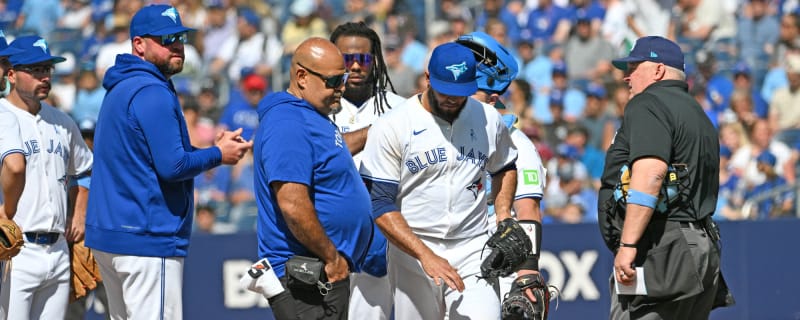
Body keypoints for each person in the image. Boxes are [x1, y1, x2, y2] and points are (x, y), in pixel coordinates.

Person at [84, 5, 252, 320]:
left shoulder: (122, 86)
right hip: (147, 237)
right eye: (166, 38)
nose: (177, 44)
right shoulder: (152, 90)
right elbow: (172, 166)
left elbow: (148, 156)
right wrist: (219, 155)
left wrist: (210, 148)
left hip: (114, 236)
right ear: (139, 45)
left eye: (180, 37)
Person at [359, 42, 519, 319]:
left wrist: (503, 214)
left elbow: (505, 166)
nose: (452, 99)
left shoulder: (488, 119)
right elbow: (380, 202)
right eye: (446, 90)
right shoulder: (394, 125)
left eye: (461, 92)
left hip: (473, 246)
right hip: (412, 247)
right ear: (428, 78)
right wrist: (425, 255)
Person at [598, 36, 734, 319]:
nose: (626, 76)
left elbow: (651, 173)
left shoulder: (649, 102)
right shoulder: (698, 113)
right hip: (699, 244)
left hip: (663, 246)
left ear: (658, 70)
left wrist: (628, 245)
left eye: (634, 67)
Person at [253, 37, 373, 320]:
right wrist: (332, 258)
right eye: (333, 81)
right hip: (308, 277)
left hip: (323, 272)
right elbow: (292, 204)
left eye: (342, 79)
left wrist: (376, 131)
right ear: (302, 77)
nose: (341, 89)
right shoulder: (288, 122)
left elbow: (329, 153)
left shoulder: (310, 115)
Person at [0, 35, 93, 320]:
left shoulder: (62, 121)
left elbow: (85, 170)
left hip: (58, 249)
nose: (44, 76)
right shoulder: (2, 115)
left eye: (47, 69)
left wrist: (79, 215)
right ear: (12, 75)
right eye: (35, 69)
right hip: (15, 251)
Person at [455, 30, 550, 302]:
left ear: (492, 98)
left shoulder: (517, 143)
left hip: (495, 265)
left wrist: (528, 271)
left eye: (468, 90)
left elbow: (528, 209)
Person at [328, 21, 406, 320]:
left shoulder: (401, 108)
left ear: (376, 61)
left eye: (364, 58)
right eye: (348, 59)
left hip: (382, 232)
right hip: (327, 232)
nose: (357, 66)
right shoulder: (313, 107)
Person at [0, 30, 25, 220]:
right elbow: (15, 167)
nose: (9, 66)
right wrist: (8, 211)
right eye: (2, 61)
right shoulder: (3, 114)